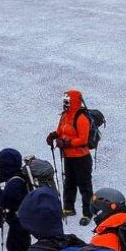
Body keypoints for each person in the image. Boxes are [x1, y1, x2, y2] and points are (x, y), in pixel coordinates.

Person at [46, 90, 93, 227]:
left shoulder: (81, 118)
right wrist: (53, 135)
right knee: (70, 182)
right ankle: (69, 208)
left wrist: (67, 143)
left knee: (84, 185)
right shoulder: (65, 116)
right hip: (69, 156)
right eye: (64, 101)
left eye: (68, 101)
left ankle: (88, 213)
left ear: (74, 102)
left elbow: (83, 139)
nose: (65, 103)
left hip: (82, 157)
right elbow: (61, 131)